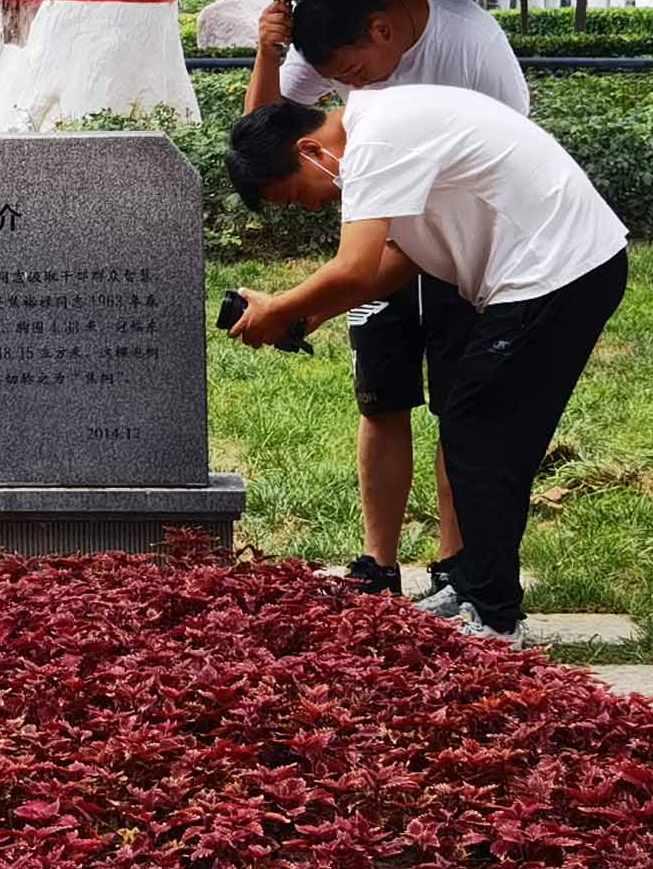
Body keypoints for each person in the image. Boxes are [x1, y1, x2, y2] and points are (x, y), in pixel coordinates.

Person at [222, 87, 628, 639]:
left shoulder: (373, 142)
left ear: (310, 150)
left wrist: (280, 308)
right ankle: (473, 585)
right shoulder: (379, 130)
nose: (313, 208)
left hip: (554, 271)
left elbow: (355, 268)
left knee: (481, 434)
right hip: (553, 271)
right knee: (475, 430)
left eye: (297, 197)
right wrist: (310, 315)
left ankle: (493, 613)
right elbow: (403, 258)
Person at [243, 0, 526, 599]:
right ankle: (379, 564)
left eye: (353, 74)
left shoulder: (469, 43)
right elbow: (264, 141)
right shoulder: (327, 34)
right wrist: (268, 53)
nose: (355, 89)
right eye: (339, 82)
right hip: (377, 237)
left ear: (383, 30)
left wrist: (305, 302)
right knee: (380, 397)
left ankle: (455, 565)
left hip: (459, 244)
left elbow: (507, 155)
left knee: (459, 408)